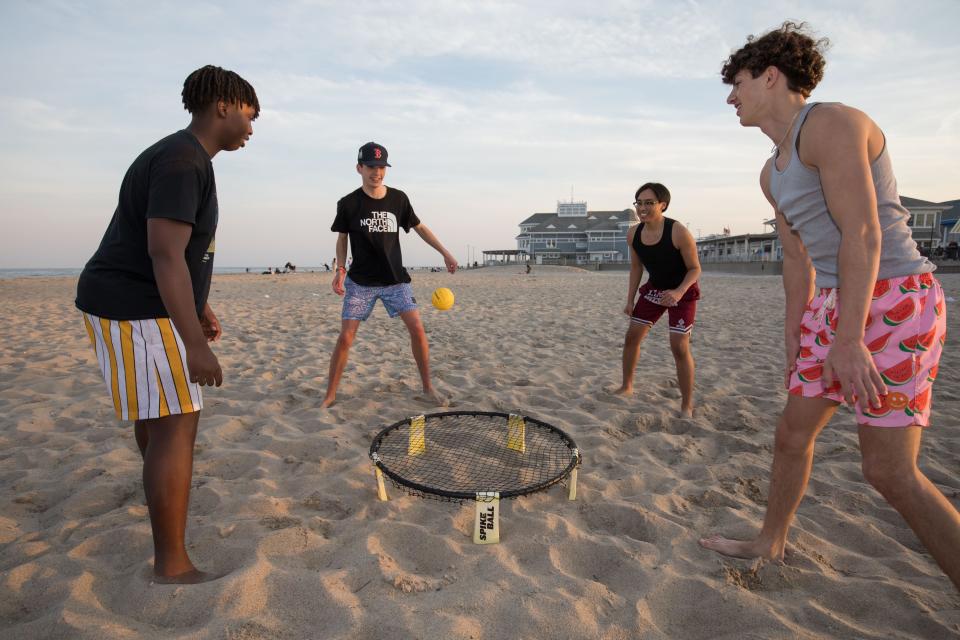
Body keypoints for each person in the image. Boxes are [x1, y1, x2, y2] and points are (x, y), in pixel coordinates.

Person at [699, 22, 958, 591]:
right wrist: (800, 331)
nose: (730, 96)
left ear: (771, 76)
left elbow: (862, 233)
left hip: (895, 297)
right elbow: (798, 260)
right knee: (791, 434)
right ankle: (772, 537)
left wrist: (848, 340)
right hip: (834, 304)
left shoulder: (833, 123)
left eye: (737, 82)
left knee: (889, 471)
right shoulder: (771, 172)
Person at [75, 65, 259, 584]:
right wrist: (194, 344)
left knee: (160, 419)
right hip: (135, 305)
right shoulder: (183, 160)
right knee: (177, 421)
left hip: (128, 299)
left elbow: (179, 252)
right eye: (249, 114)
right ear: (222, 104)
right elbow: (162, 253)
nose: (251, 128)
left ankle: (164, 511)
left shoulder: (185, 156)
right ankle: (171, 564)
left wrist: (197, 306)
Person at [320, 142, 458, 408]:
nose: (377, 172)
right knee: (346, 337)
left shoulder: (399, 199)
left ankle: (428, 387)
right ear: (359, 168)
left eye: (382, 167)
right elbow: (342, 238)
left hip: (395, 280)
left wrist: (445, 252)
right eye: (371, 167)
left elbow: (419, 227)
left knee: (417, 328)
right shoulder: (348, 203)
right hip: (360, 282)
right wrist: (339, 270)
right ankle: (330, 395)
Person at [612, 182, 701, 418]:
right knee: (632, 337)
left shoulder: (678, 231)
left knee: (679, 346)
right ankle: (627, 386)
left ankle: (686, 405)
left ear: (663, 205)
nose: (642, 207)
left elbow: (695, 269)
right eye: (639, 203)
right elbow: (636, 267)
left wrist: (679, 292)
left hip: (683, 292)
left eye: (649, 203)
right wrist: (630, 300)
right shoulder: (634, 233)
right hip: (654, 291)